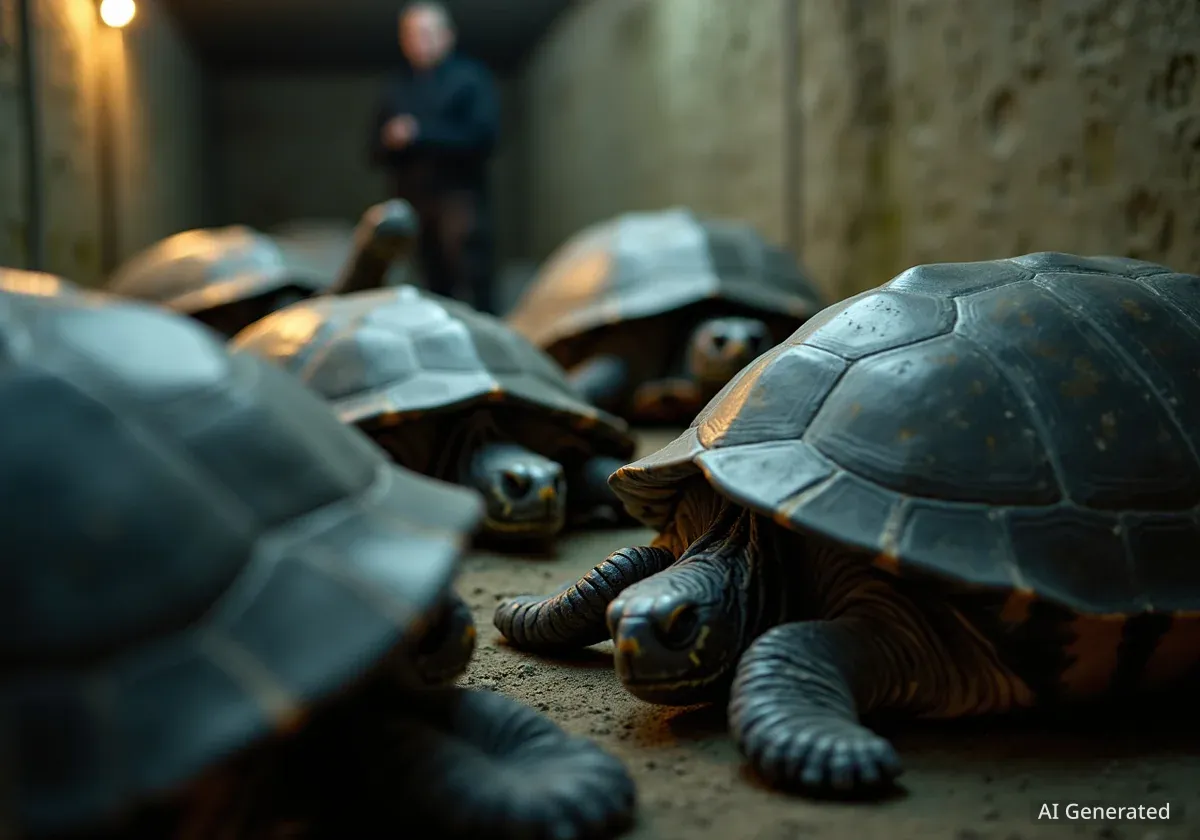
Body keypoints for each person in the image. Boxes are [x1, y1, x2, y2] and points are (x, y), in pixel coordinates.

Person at [371, 1, 501, 314]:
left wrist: (420, 134)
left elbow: (484, 137)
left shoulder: (471, 79)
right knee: (431, 280)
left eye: (428, 32)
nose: (420, 40)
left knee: (471, 271)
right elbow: (373, 151)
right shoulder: (395, 88)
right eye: (413, 34)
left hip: (459, 195)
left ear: (447, 36)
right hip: (413, 200)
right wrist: (391, 141)